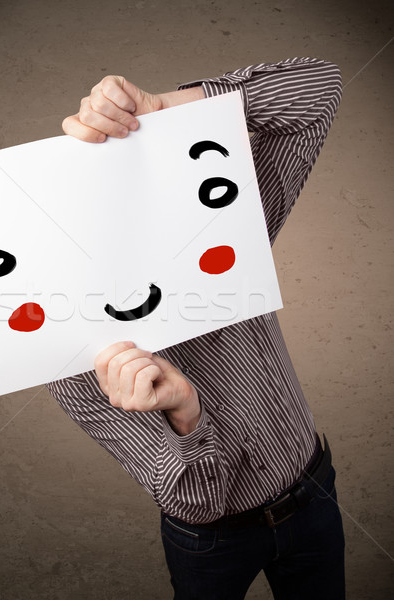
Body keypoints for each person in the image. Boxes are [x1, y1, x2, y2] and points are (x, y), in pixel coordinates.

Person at [47, 57, 345, 600]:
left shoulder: (224, 237)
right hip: (213, 543)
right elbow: (198, 504)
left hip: (313, 490)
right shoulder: (68, 361)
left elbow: (314, 90)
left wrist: (165, 109)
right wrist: (185, 413)